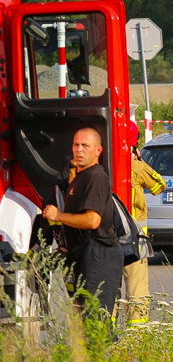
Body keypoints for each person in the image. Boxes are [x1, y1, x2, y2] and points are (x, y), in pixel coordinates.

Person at [43, 127, 123, 315]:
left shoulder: (95, 177)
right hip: (84, 254)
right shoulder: (80, 178)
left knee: (95, 318)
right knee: (84, 317)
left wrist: (59, 216)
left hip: (99, 254)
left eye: (85, 146)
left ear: (98, 150)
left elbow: (92, 220)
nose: (79, 150)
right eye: (76, 145)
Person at [123, 121, 166, 325]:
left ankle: (106, 332)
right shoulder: (137, 168)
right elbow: (160, 186)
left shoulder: (100, 166)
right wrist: (139, 160)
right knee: (136, 289)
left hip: (106, 240)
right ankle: (137, 336)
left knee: (109, 289)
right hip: (134, 240)